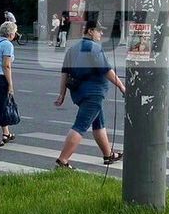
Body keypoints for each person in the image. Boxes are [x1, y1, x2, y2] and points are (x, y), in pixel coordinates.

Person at [53, 19, 125, 169]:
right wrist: (122, 87)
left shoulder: (72, 49)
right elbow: (107, 71)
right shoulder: (94, 48)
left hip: (78, 93)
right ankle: (63, 160)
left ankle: (108, 155)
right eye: (99, 30)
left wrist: (62, 94)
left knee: (98, 123)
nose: (101, 33)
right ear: (90, 31)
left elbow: (65, 73)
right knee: (80, 126)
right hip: (93, 93)